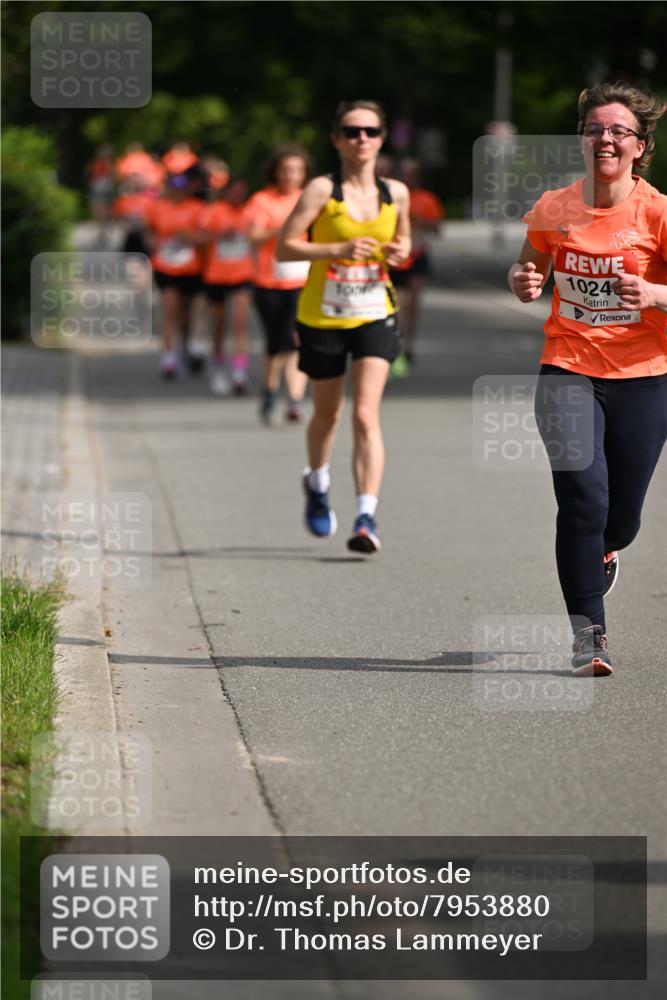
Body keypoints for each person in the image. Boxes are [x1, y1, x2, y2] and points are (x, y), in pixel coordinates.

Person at [509, 81, 667, 676]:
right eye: (595, 129)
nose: (605, 138)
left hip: (644, 376)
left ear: (639, 146)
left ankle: (605, 550)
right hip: (567, 369)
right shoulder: (555, 207)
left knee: (619, 520)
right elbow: (528, 266)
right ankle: (589, 636)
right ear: (581, 140)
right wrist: (523, 280)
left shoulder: (658, 212)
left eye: (619, 130)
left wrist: (652, 293)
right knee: (581, 500)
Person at [277, 100, 411, 553]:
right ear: (336, 139)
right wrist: (337, 249)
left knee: (365, 414)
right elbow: (284, 247)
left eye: (370, 131)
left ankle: (366, 517)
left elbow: (404, 243)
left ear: (382, 138)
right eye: (352, 131)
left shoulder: (396, 193)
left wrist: (399, 253)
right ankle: (317, 482)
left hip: (374, 311)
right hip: (323, 315)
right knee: (328, 414)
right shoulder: (321, 190)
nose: (361, 139)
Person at [246, 145, 311, 423]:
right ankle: (270, 388)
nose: (290, 175)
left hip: (302, 281)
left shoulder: (310, 199)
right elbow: (254, 237)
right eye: (285, 170)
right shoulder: (262, 200)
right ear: (275, 172)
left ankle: (295, 399)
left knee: (295, 339)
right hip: (269, 282)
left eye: (296, 170)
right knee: (276, 342)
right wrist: (281, 228)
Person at [144, 164, 205, 378]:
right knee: (170, 308)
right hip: (166, 265)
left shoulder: (197, 208)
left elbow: (206, 235)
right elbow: (148, 232)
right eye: (174, 188)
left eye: (181, 188)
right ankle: (169, 358)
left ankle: (188, 345)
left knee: (187, 313)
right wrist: (153, 241)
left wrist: (190, 237)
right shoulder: (158, 208)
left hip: (191, 267)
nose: (178, 192)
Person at [198, 176, 254, 395]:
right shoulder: (214, 211)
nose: (238, 195)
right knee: (219, 326)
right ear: (226, 191)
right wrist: (220, 235)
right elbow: (199, 237)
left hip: (243, 275)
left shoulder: (250, 211)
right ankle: (218, 367)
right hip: (216, 276)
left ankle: (239, 373)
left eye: (242, 192)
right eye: (234, 191)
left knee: (240, 324)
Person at [390, 158, 445, 375]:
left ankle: (409, 345)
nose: (408, 178)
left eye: (412, 174)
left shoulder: (426, 199)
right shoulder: (390, 195)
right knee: (395, 305)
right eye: (404, 174)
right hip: (395, 258)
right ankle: (394, 343)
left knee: (412, 304)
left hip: (417, 255)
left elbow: (438, 229)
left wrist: (420, 221)